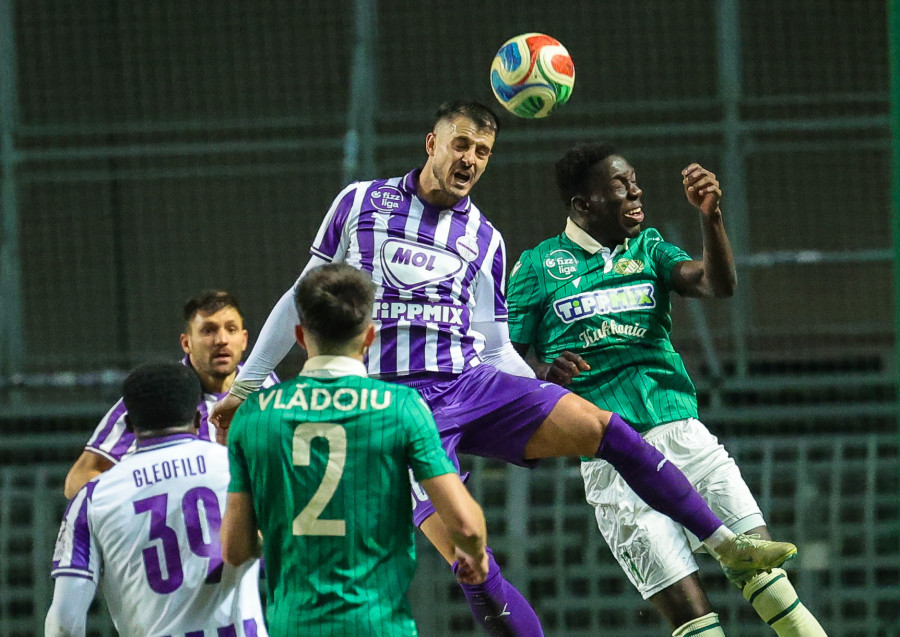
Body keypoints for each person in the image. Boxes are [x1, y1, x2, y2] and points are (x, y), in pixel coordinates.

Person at [210, 100, 798, 637]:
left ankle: (726, 545)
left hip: (468, 382)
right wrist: (250, 381)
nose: (470, 159)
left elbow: (492, 345)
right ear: (431, 143)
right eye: (461, 144)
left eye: (483, 152)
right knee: (472, 559)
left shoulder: (485, 238)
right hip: (398, 409)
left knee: (604, 428)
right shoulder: (360, 201)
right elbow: (299, 293)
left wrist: (537, 389)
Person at [507, 142, 827, 637]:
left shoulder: (650, 248)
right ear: (582, 205)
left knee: (771, 581)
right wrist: (543, 375)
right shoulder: (537, 268)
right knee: (696, 622)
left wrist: (711, 217)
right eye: (621, 185)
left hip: (685, 439)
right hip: (613, 460)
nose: (637, 191)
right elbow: (503, 362)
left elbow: (715, 285)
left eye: (635, 180)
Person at [220, 263, 489, 635]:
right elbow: (465, 524)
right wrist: (472, 554)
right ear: (369, 336)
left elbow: (235, 549)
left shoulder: (255, 416)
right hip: (378, 625)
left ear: (300, 335)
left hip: (294, 625)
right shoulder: (402, 408)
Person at [45, 361, 267, 637]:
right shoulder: (239, 468)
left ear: (129, 425)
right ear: (199, 419)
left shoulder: (93, 497)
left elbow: (65, 621)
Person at [63, 290, 279, 499]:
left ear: (244, 339)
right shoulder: (159, 391)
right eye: (208, 330)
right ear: (186, 343)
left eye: (231, 329)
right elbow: (78, 479)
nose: (221, 339)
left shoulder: (265, 385)